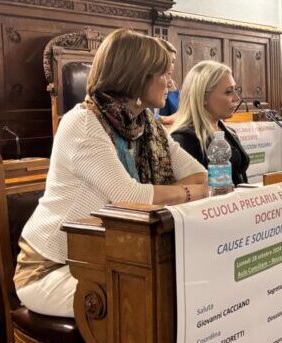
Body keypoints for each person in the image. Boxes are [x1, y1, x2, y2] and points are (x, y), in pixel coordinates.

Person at [14, 29, 208, 318]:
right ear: (136, 75)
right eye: (163, 73)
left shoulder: (147, 126)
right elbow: (130, 197)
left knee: (183, 283)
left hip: (108, 256)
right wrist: (186, 193)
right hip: (51, 268)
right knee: (146, 297)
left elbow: (199, 174)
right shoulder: (82, 123)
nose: (171, 82)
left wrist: (164, 191)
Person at [170, 60, 250, 185]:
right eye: (228, 92)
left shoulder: (229, 132)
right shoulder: (183, 139)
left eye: (236, 90)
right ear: (203, 97)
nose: (236, 98)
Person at [156, 39, 180, 125]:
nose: (171, 66)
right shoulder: (147, 85)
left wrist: (172, 92)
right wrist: (163, 119)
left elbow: (178, 116)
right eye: (167, 61)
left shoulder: (170, 85)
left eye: (173, 61)